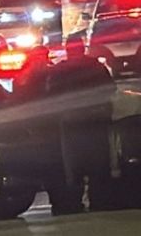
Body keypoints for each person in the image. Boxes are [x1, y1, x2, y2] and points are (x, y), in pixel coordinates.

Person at [46, 36, 116, 214]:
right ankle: (100, 200)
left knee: (73, 164)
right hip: (96, 120)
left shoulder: (60, 70)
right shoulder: (95, 66)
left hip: (71, 122)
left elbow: (51, 93)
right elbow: (110, 88)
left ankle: (73, 203)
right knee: (99, 161)